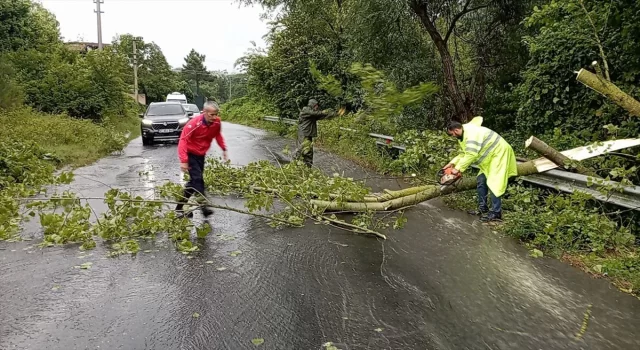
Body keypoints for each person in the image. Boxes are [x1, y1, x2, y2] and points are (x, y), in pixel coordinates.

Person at [443, 116, 517, 223]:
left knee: (494, 183)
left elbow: (471, 154)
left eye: (452, 134)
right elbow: (465, 153)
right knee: (481, 180)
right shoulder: (463, 136)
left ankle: (496, 213)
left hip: (499, 154)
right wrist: (452, 163)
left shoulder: (471, 134)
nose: (453, 136)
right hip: (489, 160)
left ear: (456, 130)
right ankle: (483, 209)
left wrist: (458, 169)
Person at [175, 101, 229, 218]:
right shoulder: (194, 124)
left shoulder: (216, 122)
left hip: (201, 154)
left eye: (216, 114)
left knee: (194, 182)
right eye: (211, 115)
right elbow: (183, 140)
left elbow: (217, 135)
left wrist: (224, 148)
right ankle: (204, 207)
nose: (214, 117)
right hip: (190, 154)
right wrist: (184, 160)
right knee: (198, 179)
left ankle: (179, 207)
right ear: (204, 112)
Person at [294, 99, 344, 167]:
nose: (317, 107)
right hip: (302, 134)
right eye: (316, 105)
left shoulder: (313, 114)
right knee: (301, 150)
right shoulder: (306, 109)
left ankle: (308, 168)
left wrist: (336, 113)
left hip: (308, 135)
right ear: (312, 105)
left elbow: (324, 116)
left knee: (309, 152)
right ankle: (295, 166)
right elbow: (317, 113)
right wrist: (324, 112)